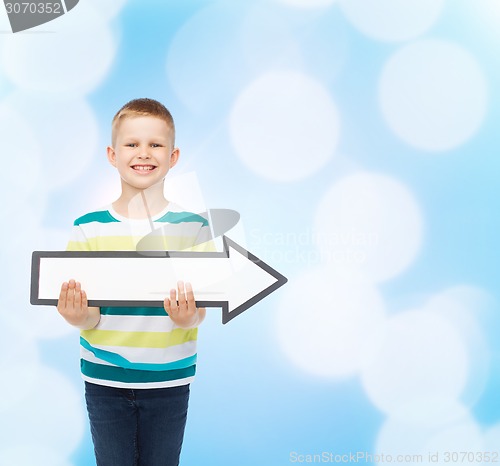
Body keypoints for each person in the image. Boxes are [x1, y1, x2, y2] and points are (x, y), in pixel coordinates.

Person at [56, 98, 212, 466]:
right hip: (105, 381)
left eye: (156, 144)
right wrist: (78, 317)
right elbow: (90, 314)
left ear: (173, 157)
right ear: (112, 154)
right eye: (132, 144)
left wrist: (189, 317)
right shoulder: (87, 227)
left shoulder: (193, 227)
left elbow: (202, 308)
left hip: (169, 381)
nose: (144, 153)